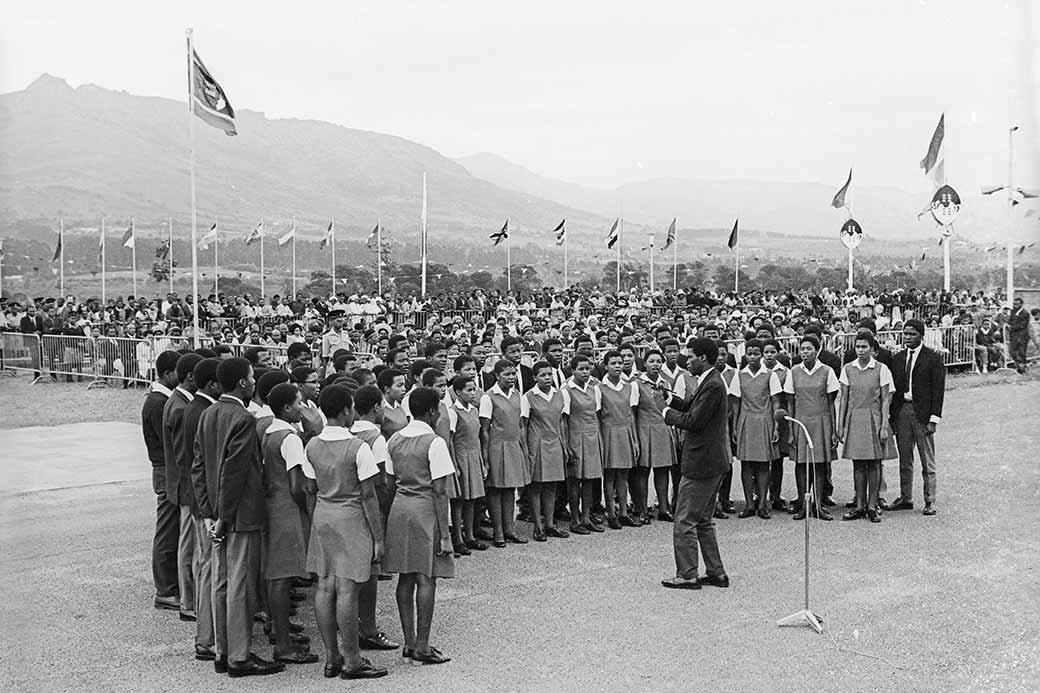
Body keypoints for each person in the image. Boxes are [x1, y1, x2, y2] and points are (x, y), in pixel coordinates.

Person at [194, 357, 283, 678]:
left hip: (217, 514)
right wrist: (223, 517)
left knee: (221, 583)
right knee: (239, 586)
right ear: (243, 383)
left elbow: (198, 467)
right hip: (239, 515)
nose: (254, 382)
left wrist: (208, 513)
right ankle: (239, 656)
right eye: (251, 377)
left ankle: (223, 650)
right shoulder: (243, 418)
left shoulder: (208, 413)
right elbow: (234, 473)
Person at [305, 385, 388, 680]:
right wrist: (378, 538)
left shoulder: (312, 445)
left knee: (325, 586)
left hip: (323, 515)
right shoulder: (358, 447)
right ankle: (353, 660)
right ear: (345, 411)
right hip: (351, 518)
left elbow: (310, 488)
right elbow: (368, 495)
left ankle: (332, 658)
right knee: (348, 588)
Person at [385, 387, 456, 666]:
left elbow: (389, 481)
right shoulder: (434, 442)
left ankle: (410, 641)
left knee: (405, 577)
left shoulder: (394, 439)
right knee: (426, 577)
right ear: (431, 411)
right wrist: (445, 534)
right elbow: (440, 490)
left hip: (400, 508)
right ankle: (423, 645)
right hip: (425, 509)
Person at [660, 338, 731, 590]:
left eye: (690, 356)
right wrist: (670, 399)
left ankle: (687, 574)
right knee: (703, 520)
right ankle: (716, 572)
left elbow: (694, 421)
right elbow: (693, 408)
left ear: (702, 357)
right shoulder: (710, 380)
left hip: (701, 463)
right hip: (712, 461)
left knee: (685, 520)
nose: (686, 361)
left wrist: (666, 413)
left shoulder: (712, 384)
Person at [260, 382, 319, 665]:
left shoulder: (267, 430)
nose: (301, 408)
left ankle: (278, 628)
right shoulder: (290, 438)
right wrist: (305, 508)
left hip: (271, 504)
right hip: (286, 508)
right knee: (282, 577)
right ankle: (283, 645)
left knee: (275, 575)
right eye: (298, 403)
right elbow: (296, 483)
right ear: (286, 408)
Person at [347, 385, 405, 651]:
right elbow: (382, 481)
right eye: (382, 405)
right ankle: (368, 628)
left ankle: (351, 622)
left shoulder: (348, 432)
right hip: (370, 506)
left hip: (347, 507)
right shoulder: (376, 438)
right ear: (375, 408)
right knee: (370, 573)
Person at [887, 319, 945, 516]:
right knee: (905, 458)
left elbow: (938, 391)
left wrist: (933, 419)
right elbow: (894, 390)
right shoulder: (898, 358)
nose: (908, 337)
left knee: (927, 460)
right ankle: (906, 497)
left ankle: (930, 500)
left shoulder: (933, 358)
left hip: (923, 414)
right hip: (902, 411)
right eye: (906, 334)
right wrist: (892, 417)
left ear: (922, 335)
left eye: (912, 334)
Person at [162, 352, 203, 621]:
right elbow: (183, 456)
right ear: (190, 377)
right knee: (189, 546)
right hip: (187, 487)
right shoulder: (179, 408)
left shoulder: (179, 402)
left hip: (185, 485)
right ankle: (188, 601)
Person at [836, 332, 893, 523]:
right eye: (858, 347)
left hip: (874, 417)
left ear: (872, 349)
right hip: (855, 417)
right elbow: (844, 398)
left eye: (864, 347)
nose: (860, 350)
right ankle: (859, 505)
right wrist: (841, 425)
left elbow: (885, 400)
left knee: (874, 462)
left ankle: (872, 505)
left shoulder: (881, 369)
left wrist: (884, 426)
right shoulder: (848, 369)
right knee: (858, 463)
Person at [187, 358, 221, 663]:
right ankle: (207, 638)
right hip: (205, 503)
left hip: (202, 501)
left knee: (207, 567)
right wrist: (208, 510)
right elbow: (198, 464)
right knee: (210, 569)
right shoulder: (202, 412)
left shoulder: (199, 409)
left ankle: (209, 635)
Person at [143, 350, 182, 612]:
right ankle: (165, 589)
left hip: (167, 470)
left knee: (173, 528)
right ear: (167, 373)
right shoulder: (158, 402)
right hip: (165, 470)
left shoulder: (161, 399)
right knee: (167, 530)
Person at [784, 335, 839, 521]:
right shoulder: (793, 372)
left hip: (821, 421)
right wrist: (791, 429)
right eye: (803, 349)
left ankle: (818, 505)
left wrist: (833, 430)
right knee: (801, 464)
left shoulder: (827, 371)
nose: (805, 352)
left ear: (817, 350)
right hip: (801, 421)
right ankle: (803, 505)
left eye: (809, 349)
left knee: (820, 464)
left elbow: (831, 403)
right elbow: (790, 402)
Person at [727, 339, 782, 520]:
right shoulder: (739, 375)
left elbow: (776, 402)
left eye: (756, 354)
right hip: (746, 421)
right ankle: (749, 504)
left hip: (764, 421)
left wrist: (776, 426)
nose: (752, 357)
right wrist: (735, 426)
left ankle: (762, 504)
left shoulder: (770, 375)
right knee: (747, 464)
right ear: (745, 355)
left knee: (764, 464)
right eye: (749, 354)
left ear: (761, 355)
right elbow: (735, 403)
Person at [479, 359, 530, 547]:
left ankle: (509, 529)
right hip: (496, 446)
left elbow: (521, 424)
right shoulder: (489, 397)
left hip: (513, 445)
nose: (511, 377)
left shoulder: (517, 395)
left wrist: (524, 448)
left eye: (513, 373)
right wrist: (485, 458)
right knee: (495, 489)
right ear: (497, 375)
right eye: (506, 374)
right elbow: (484, 429)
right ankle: (498, 531)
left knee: (510, 488)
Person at [521, 361, 570, 541]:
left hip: (555, 441)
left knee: (552, 485)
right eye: (542, 375)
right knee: (536, 486)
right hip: (537, 443)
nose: (547, 378)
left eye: (549, 374)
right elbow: (523, 425)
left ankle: (550, 524)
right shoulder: (528, 397)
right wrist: (526, 449)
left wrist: (564, 444)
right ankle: (538, 526)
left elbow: (562, 422)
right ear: (535, 377)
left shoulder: (560, 394)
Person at [563, 354, 605, 534]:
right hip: (575, 436)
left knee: (590, 479)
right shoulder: (566, 390)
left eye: (588, 369)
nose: (585, 372)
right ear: (573, 370)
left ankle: (586, 517)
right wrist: (567, 444)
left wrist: (599, 438)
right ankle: (575, 519)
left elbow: (596, 415)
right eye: (581, 369)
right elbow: (564, 420)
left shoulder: (594, 389)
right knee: (575, 480)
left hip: (592, 436)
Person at [599, 350, 640, 529]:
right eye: (613, 363)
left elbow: (631, 415)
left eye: (620, 363)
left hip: (625, 432)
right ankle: (610, 512)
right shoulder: (599, 388)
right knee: (610, 475)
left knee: (623, 474)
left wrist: (635, 440)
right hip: (608, 433)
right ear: (606, 366)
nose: (617, 366)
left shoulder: (629, 387)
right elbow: (597, 416)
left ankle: (623, 512)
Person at [635, 349, 678, 523]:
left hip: (662, 428)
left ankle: (663, 508)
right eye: (651, 361)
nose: (655, 364)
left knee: (662, 470)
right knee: (643, 471)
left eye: (658, 361)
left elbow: (670, 407)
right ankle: (642, 509)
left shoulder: (665, 383)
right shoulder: (637, 384)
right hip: (645, 428)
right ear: (645, 364)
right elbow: (633, 410)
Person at [447, 375, 488, 550]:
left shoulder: (474, 410)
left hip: (473, 456)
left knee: (472, 498)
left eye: (474, 390)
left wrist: (481, 462)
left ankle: (470, 535)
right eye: (469, 390)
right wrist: (455, 465)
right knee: (459, 500)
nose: (473, 393)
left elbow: (477, 438)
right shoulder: (453, 411)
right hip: (461, 456)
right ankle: (458, 538)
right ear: (458, 392)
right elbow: (450, 440)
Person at [1008, 297, 1031, 373]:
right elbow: (1010, 321)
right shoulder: (1012, 311)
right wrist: (1008, 324)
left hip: (1022, 336)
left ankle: (1022, 368)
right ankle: (1018, 365)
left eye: (1017, 304)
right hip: (1013, 336)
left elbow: (1022, 325)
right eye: (1014, 304)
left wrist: (1012, 327)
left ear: (1021, 304)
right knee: (1012, 351)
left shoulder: (1025, 313)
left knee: (1022, 352)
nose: (1015, 305)